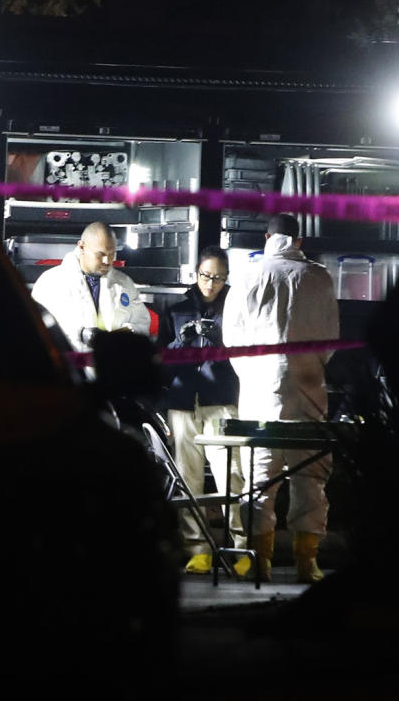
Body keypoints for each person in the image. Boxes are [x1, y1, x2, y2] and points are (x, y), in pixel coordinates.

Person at [222, 213, 340, 583]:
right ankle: (308, 564)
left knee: (259, 481)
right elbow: (330, 338)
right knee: (311, 479)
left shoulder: (247, 275)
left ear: (268, 237)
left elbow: (232, 338)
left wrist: (255, 374)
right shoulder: (318, 276)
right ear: (299, 241)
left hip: (259, 395)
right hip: (308, 391)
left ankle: (260, 562)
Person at [159, 246, 248, 576]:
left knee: (233, 477)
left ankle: (242, 548)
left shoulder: (236, 311)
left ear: (227, 278)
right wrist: (181, 343)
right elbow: (162, 364)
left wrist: (221, 345)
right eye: (206, 275)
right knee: (187, 478)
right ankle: (197, 549)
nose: (211, 283)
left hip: (221, 402)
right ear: (195, 275)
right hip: (182, 405)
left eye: (218, 277)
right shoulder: (176, 310)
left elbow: (247, 359)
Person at [31, 222, 150, 354]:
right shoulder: (51, 282)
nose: (107, 261)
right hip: (69, 368)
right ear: (82, 247)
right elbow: (35, 330)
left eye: (111, 254)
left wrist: (126, 334)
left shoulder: (124, 283)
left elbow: (142, 324)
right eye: (100, 254)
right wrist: (81, 334)